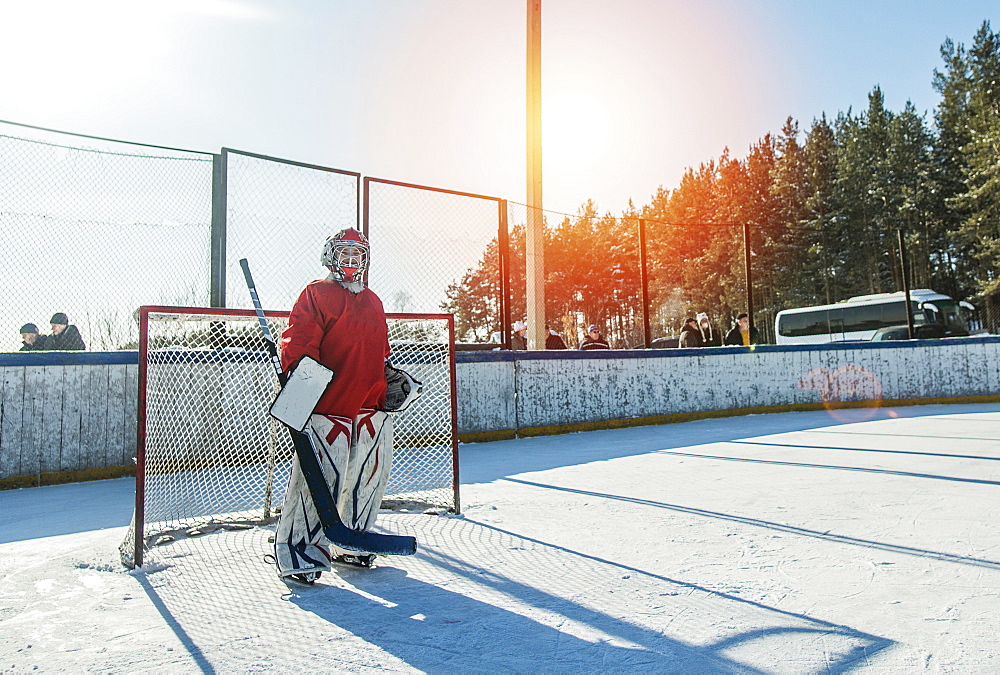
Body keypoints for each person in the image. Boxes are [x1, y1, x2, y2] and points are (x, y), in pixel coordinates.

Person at [274, 227, 404, 583]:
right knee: (318, 483)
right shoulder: (315, 294)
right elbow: (298, 345)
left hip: (370, 406)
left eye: (357, 255)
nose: (350, 261)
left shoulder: (374, 300)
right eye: (344, 253)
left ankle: (355, 541)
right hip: (328, 406)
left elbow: (377, 350)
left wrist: (387, 376)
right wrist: (301, 397)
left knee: (368, 479)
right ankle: (300, 551)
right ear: (330, 255)